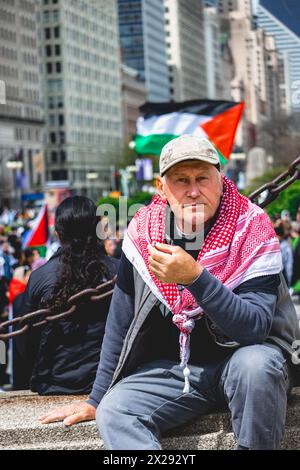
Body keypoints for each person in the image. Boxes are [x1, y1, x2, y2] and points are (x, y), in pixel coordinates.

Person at [39, 135, 300, 450]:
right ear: (161, 188)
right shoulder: (143, 233)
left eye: (202, 178)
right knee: (116, 409)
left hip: (247, 362)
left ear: (220, 178)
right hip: (182, 369)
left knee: (256, 367)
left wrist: (195, 277)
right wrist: (96, 399)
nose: (193, 190)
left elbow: (253, 329)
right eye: (181, 180)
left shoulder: (252, 227)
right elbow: (120, 323)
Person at [12, 196, 119, 393]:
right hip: (111, 380)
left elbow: (26, 345)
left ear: (58, 234)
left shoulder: (39, 277)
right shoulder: (118, 272)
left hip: (55, 382)